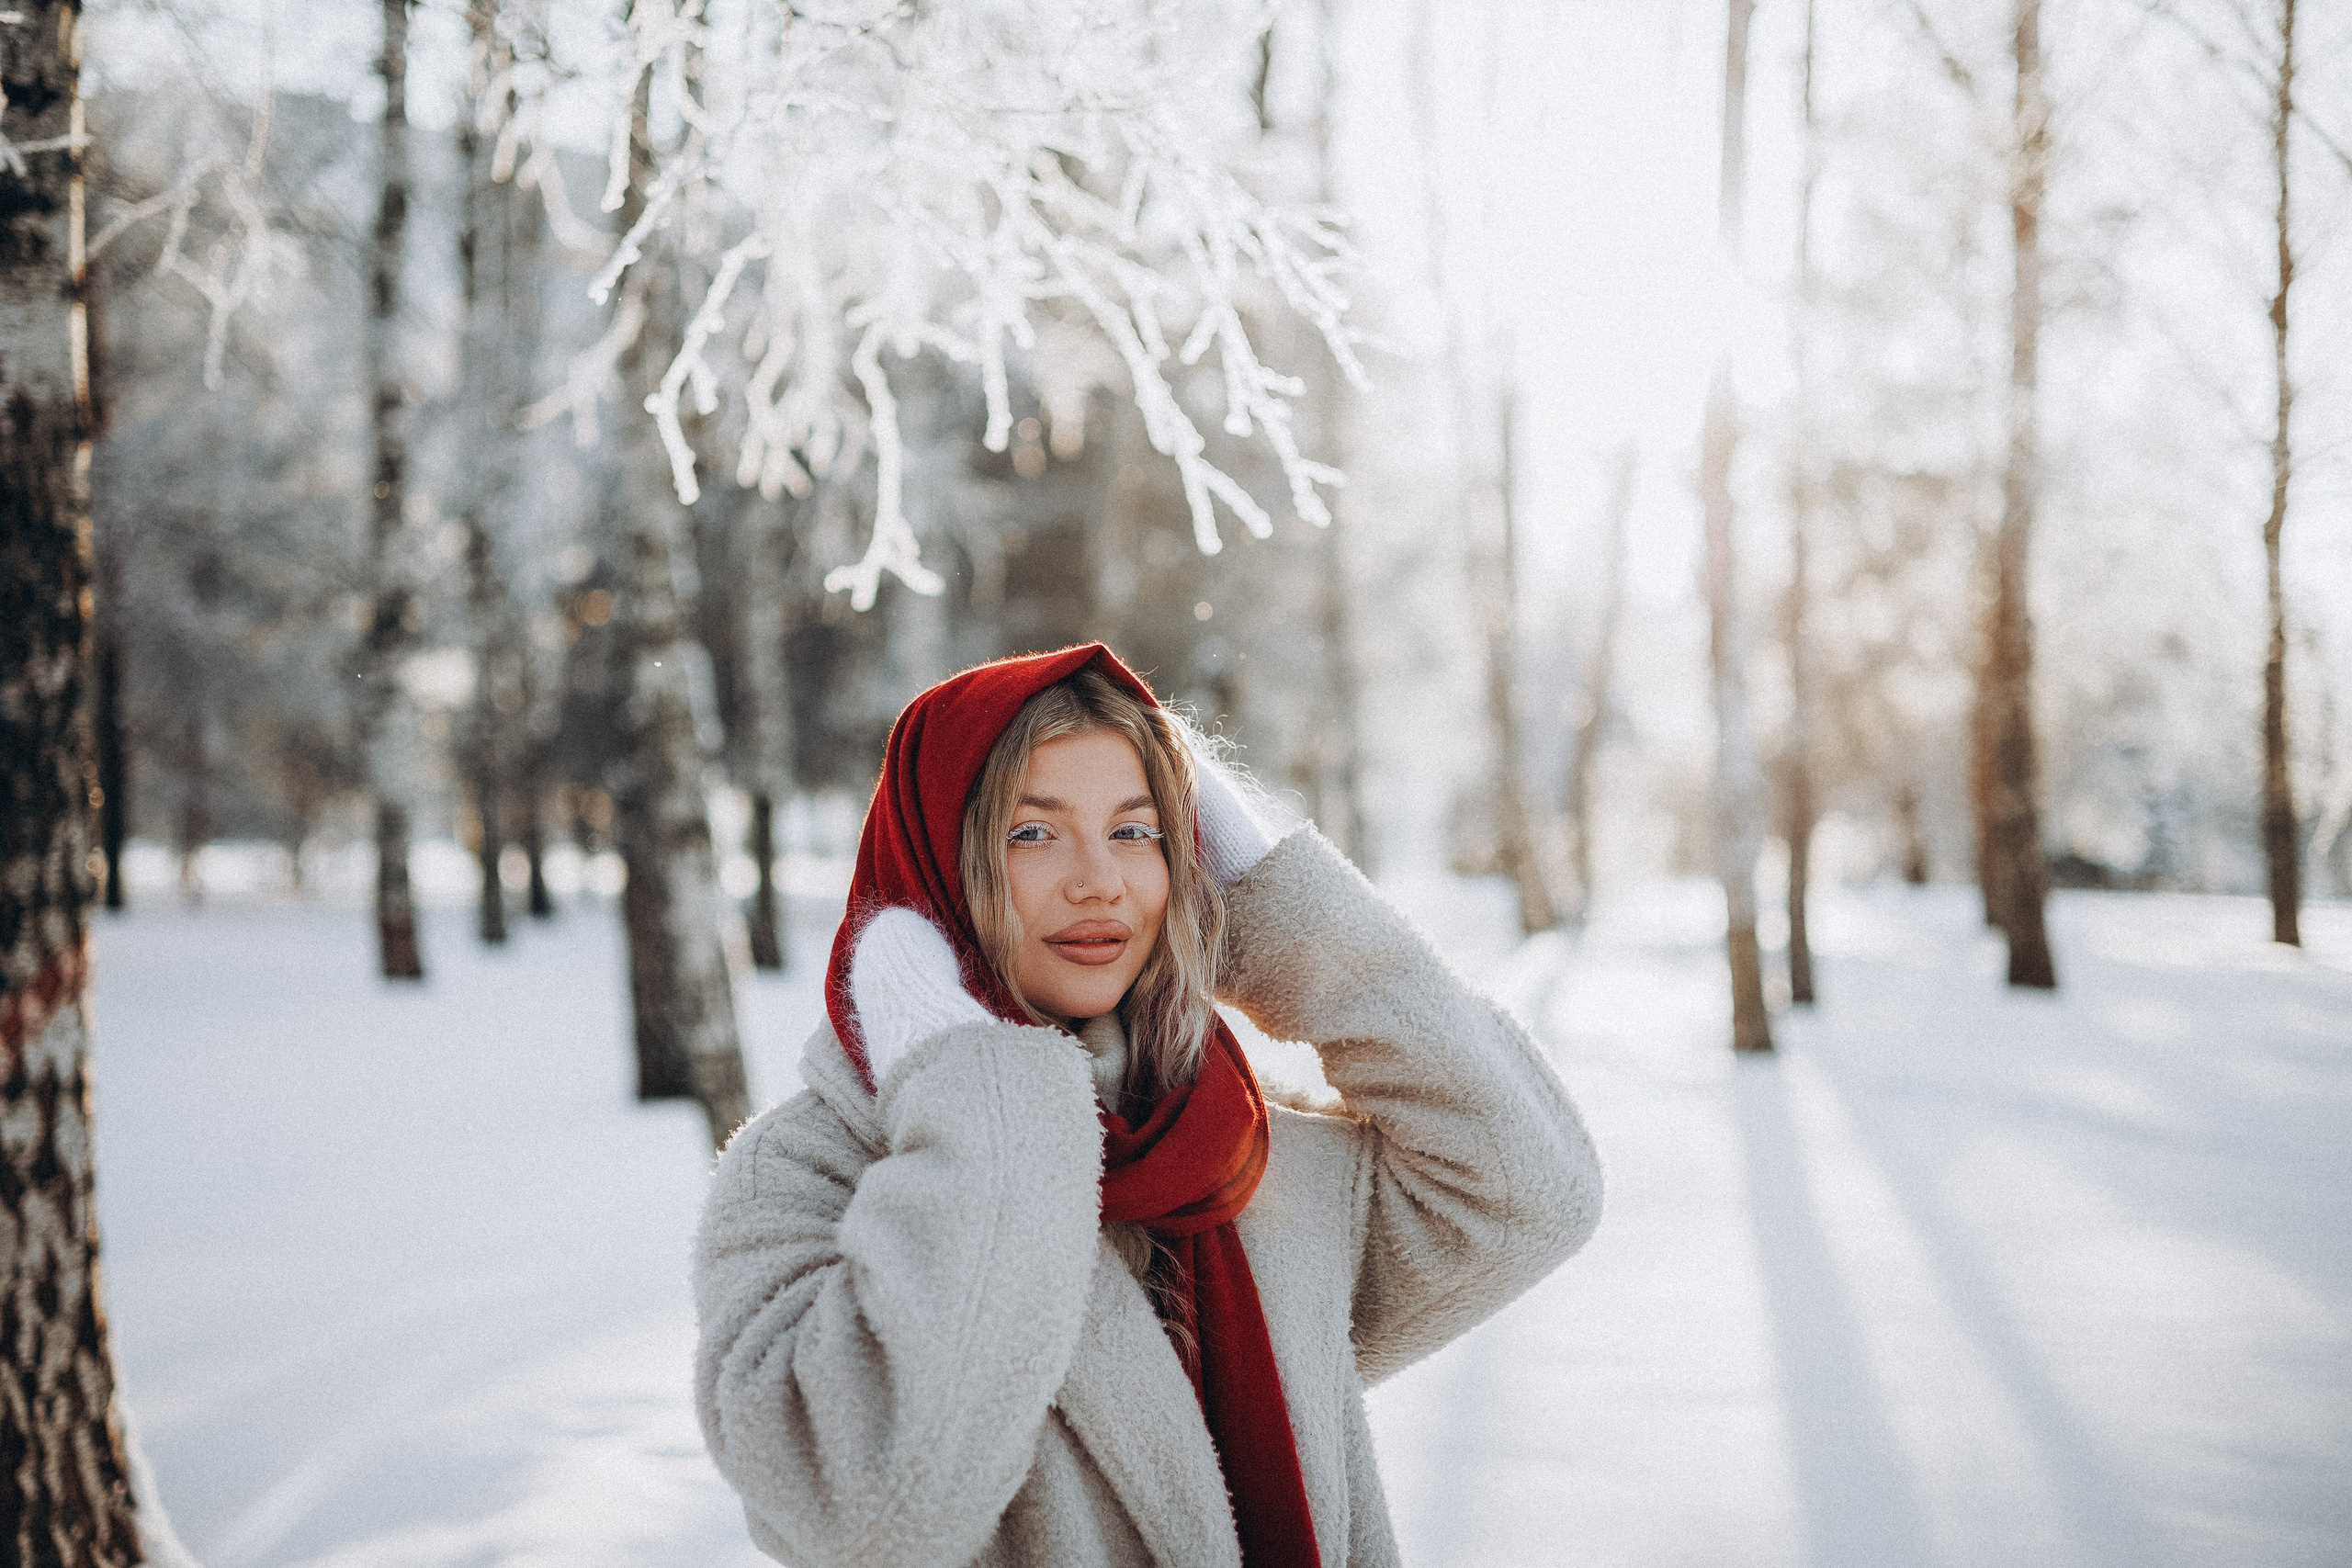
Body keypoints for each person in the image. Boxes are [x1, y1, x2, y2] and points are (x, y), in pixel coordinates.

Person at [693, 643, 1601, 1568]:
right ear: (936, 868)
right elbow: (873, 1513)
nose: (1099, 881)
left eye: (1137, 831)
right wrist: (977, 1083)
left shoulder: (1238, 1147)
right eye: (1030, 832)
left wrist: (1276, 915)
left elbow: (1530, 1194)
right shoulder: (805, 1177)